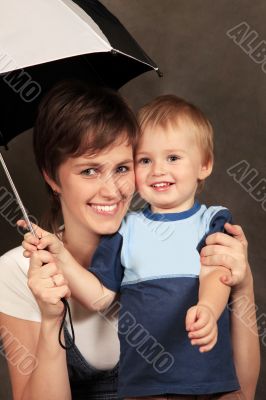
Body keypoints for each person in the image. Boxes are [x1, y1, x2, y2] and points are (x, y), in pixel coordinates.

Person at [0, 81, 259, 400]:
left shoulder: (198, 235)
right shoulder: (16, 271)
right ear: (52, 177)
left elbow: (242, 393)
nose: (112, 190)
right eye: (90, 171)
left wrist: (242, 285)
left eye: (122, 167)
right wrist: (51, 320)